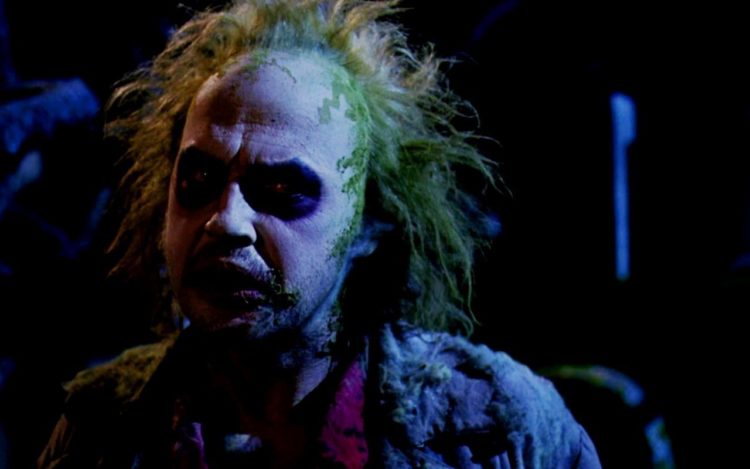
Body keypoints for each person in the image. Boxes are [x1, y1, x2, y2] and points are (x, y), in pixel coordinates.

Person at [38, 1, 601, 467]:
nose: (226, 220)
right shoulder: (100, 429)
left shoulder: (496, 429)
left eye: (283, 190)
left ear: (370, 223)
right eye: (198, 181)